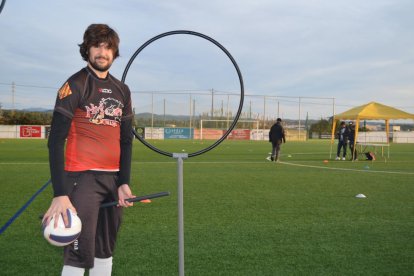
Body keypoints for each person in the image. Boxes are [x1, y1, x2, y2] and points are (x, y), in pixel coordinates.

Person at [42, 24, 135, 276]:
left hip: (112, 180)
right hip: (81, 180)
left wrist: (123, 182)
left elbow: (126, 141)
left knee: (105, 251)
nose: (102, 52)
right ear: (87, 49)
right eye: (96, 46)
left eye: (108, 47)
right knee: (77, 253)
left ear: (115, 53)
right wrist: (60, 194)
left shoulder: (122, 90)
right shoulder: (75, 84)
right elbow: (55, 140)